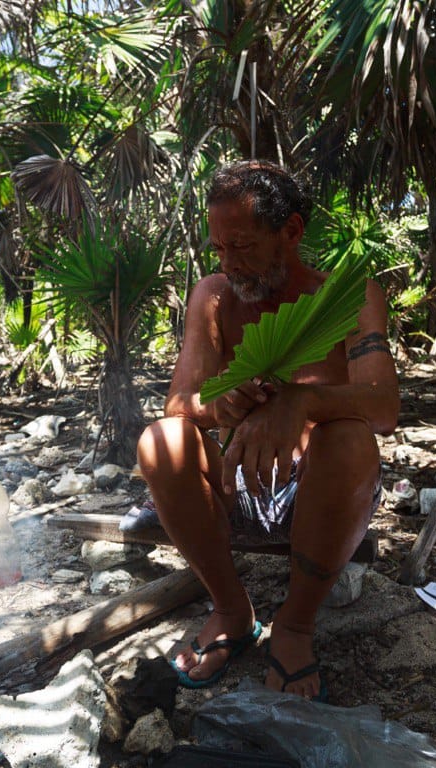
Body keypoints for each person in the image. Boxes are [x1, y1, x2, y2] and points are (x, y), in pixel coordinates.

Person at [136, 161, 399, 700]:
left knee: (348, 436)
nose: (230, 264)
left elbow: (384, 408)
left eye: (243, 246)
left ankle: (295, 626)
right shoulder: (213, 296)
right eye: (219, 249)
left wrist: (303, 402)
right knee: (160, 441)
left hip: (324, 498)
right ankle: (233, 611)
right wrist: (220, 405)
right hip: (242, 487)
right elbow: (178, 403)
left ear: (293, 232)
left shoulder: (350, 296)